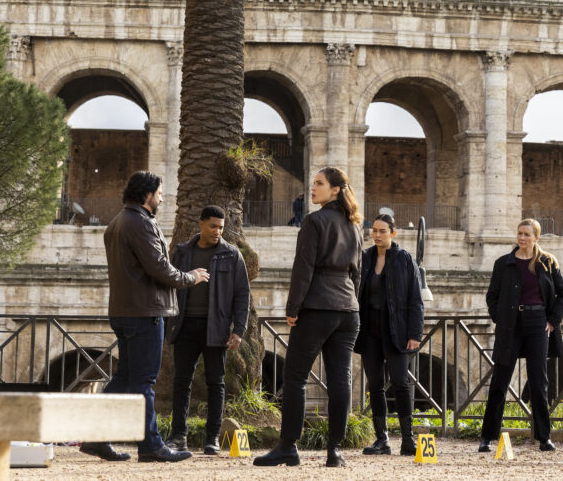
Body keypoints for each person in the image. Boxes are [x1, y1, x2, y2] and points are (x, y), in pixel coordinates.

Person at [81, 171, 209, 464]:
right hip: (145, 312)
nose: (163, 198)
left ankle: (96, 437)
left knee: (125, 378)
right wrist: (191, 277)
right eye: (160, 193)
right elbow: (160, 268)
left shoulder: (117, 222)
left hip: (124, 310)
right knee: (144, 382)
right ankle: (151, 445)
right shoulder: (140, 223)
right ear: (147, 194)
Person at [254, 167, 363, 468]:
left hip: (318, 305)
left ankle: (288, 446)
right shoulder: (354, 225)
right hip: (348, 309)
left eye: (319, 184)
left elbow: (303, 268)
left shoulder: (314, 221)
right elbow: (358, 273)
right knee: (340, 380)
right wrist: (352, 303)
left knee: (296, 376)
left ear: (336, 190)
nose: (312, 189)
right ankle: (335, 450)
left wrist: (292, 309)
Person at [478, 219, 563, 453]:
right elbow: (492, 297)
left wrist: (552, 321)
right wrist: (500, 318)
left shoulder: (547, 262)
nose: (522, 238)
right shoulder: (503, 263)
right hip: (510, 324)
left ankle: (544, 437)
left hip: (538, 323)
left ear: (536, 238)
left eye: (527, 234)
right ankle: (487, 437)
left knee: (539, 383)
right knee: (500, 381)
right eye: (519, 233)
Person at [165, 205, 250, 456]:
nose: (217, 232)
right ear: (200, 224)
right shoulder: (181, 253)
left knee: (216, 383)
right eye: (212, 226)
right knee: (182, 381)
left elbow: (242, 294)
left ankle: (212, 438)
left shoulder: (231, 255)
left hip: (217, 329)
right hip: (185, 325)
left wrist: (240, 329)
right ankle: (178, 436)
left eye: (221, 228)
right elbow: (168, 285)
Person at [355, 214, 424, 457]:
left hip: (396, 329)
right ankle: (382, 439)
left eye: (382, 231)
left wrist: (415, 333)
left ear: (393, 234)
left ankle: (408, 438)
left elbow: (416, 298)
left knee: (400, 383)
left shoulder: (404, 259)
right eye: (374, 230)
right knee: (374, 385)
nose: (376, 235)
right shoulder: (365, 257)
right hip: (369, 328)